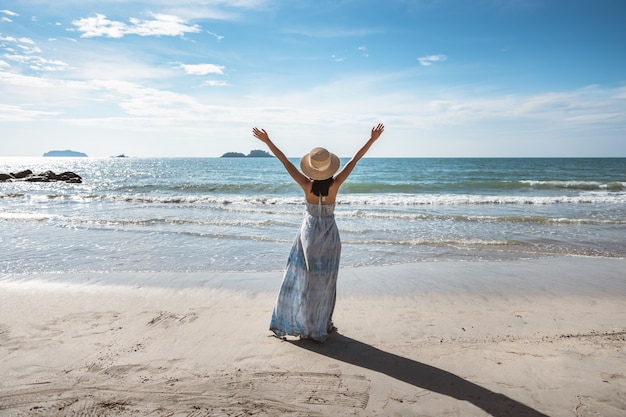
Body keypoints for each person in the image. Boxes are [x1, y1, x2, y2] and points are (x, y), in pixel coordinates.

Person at [252, 123, 385, 342]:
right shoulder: (335, 184)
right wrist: (372, 139)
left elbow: (284, 160)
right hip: (329, 233)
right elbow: (354, 160)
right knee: (326, 280)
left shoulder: (305, 184)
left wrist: (267, 141)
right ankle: (323, 324)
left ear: (311, 167)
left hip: (309, 233)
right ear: (330, 167)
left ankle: (303, 322)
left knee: (305, 277)